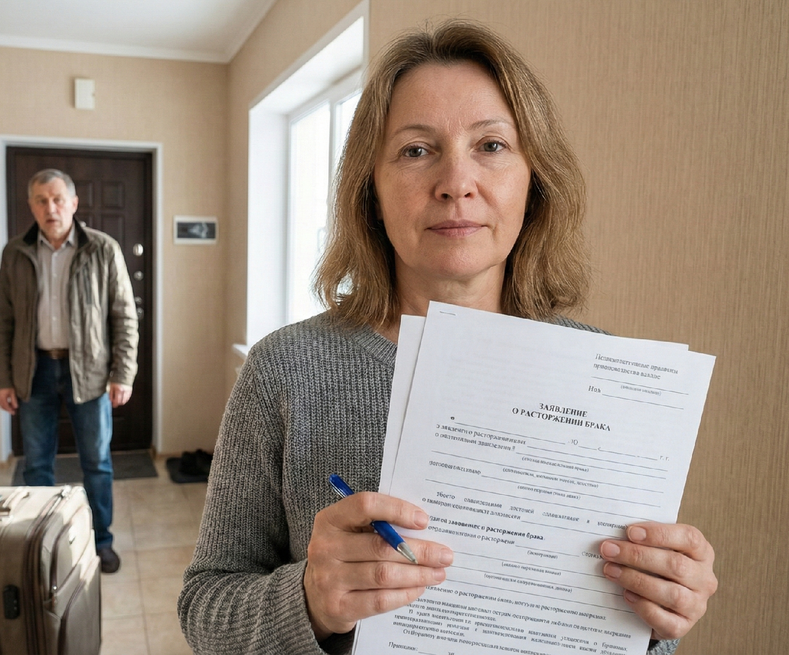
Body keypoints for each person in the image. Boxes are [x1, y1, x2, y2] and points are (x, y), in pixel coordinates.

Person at [179, 20, 718, 655]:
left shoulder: (602, 378)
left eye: (491, 145)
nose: (456, 182)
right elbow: (204, 606)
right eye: (416, 150)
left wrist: (660, 615)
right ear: (371, 188)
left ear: (533, 180)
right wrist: (307, 601)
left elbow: (622, 630)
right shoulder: (286, 369)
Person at [0, 168, 138, 574]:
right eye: (41, 200)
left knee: (97, 463)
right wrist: (2, 379)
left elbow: (124, 316)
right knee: (36, 464)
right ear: (31, 206)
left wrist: (123, 373)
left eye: (58, 199)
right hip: (33, 370)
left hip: (89, 372)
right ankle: (39, 543)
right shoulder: (15, 253)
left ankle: (101, 541)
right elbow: (3, 320)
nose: (50, 208)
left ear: (73, 203)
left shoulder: (103, 249)